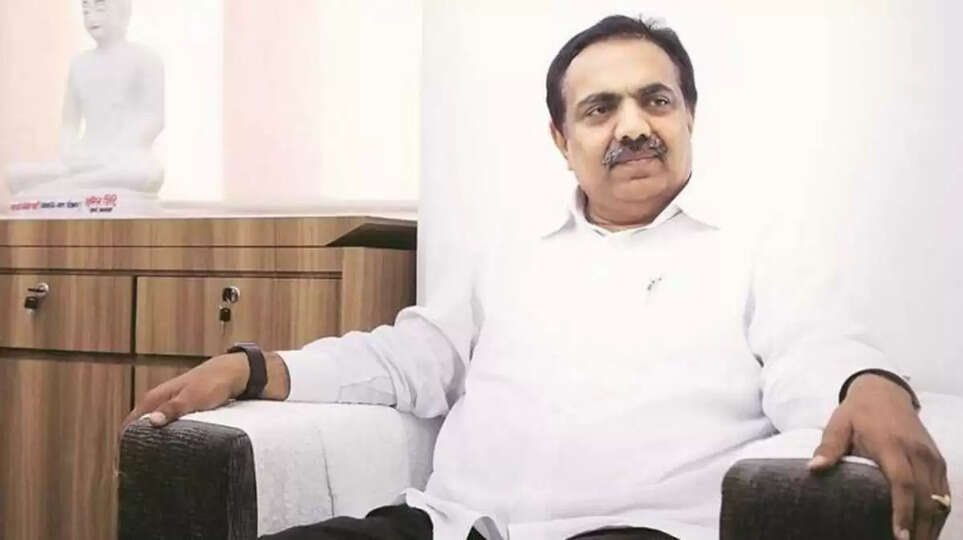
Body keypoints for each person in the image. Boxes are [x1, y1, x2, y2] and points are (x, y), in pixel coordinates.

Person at [124, 15, 950, 540]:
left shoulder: (752, 248)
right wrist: (254, 367)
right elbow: (410, 358)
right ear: (561, 139)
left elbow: (817, 352)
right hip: (448, 527)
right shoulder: (511, 253)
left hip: (639, 532)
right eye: (599, 109)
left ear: (689, 116)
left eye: (656, 101)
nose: (633, 126)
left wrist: (870, 385)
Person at [5, 0, 164, 198]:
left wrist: (114, 152)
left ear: (124, 11)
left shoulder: (146, 59)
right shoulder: (80, 64)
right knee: (15, 174)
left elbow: (154, 119)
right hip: (85, 157)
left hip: (126, 157)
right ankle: (70, 185)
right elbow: (69, 123)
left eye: (100, 8)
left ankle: (53, 190)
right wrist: (69, 152)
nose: (91, 17)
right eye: (85, 11)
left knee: (145, 174)